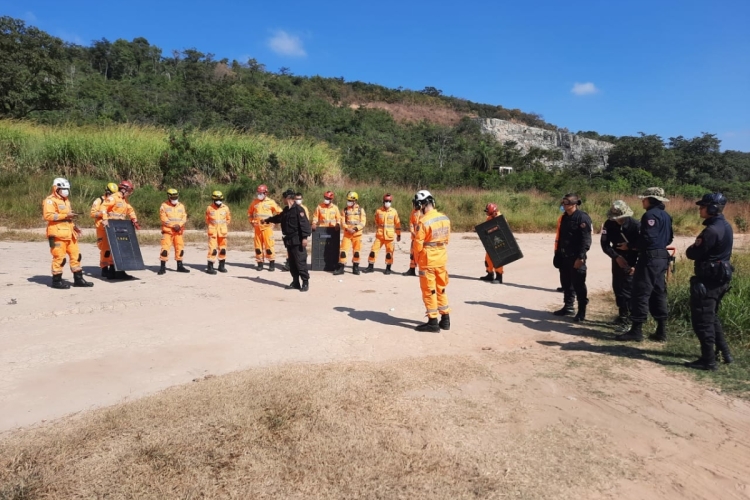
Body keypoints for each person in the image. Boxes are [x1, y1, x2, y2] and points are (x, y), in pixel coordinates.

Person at [616, 187, 674, 342]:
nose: (642, 201)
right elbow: (669, 238)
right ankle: (661, 330)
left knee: (641, 292)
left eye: (644, 199)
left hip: (649, 259)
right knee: (658, 292)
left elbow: (648, 238)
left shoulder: (650, 215)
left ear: (650, 200)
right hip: (662, 257)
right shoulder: (666, 216)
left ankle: (636, 330)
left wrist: (631, 246)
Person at [684, 193, 734, 370]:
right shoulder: (725, 226)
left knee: (703, 321)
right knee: (711, 317)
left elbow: (692, 253)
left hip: (708, 281)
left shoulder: (711, 231)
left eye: (703, 206)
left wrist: (692, 248)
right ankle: (725, 354)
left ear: (712, 209)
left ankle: (708, 360)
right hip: (719, 279)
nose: (700, 209)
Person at [43, 177, 94, 289]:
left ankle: (78, 279)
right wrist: (66, 215)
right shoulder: (50, 201)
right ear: (56, 188)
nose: (66, 191)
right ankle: (56, 281)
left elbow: (67, 218)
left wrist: (74, 226)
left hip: (70, 233)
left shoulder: (66, 201)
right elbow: (48, 216)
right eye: (63, 189)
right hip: (57, 234)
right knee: (59, 258)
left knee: (76, 256)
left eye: (67, 189)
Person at [412, 190, 451, 332]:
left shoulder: (423, 221)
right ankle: (445, 320)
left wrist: (416, 259)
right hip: (441, 257)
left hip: (428, 260)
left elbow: (418, 243)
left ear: (422, 204)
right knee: (441, 288)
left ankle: (433, 322)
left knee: (429, 291)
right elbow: (447, 239)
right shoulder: (445, 218)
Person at [552, 193, 592, 322]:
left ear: (574, 204)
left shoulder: (582, 217)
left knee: (578, 284)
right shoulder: (564, 218)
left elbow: (586, 240)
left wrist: (581, 257)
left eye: (566, 202)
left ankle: (581, 311)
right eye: (563, 202)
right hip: (564, 256)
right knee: (566, 283)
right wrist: (557, 253)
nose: (563, 205)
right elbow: (561, 237)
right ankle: (568, 306)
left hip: (576, 257)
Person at [600, 200, 640, 325]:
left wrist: (635, 264)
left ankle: (630, 318)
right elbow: (605, 244)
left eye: (620, 218)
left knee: (628, 288)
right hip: (617, 258)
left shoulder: (636, 225)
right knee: (617, 287)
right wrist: (616, 257)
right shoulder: (609, 224)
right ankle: (622, 315)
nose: (618, 220)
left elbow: (644, 246)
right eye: (615, 218)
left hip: (632, 259)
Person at [264, 189, 312, 292]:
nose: (283, 200)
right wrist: (268, 220)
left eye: (283, 198)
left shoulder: (299, 210)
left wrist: (304, 238)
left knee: (300, 261)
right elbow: (279, 218)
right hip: (289, 240)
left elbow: (305, 224)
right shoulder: (286, 210)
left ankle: (305, 282)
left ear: (287, 198)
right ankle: (295, 282)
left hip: (298, 240)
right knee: (292, 262)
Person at [100, 180, 141, 280]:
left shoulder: (124, 200)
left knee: (118, 249)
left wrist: (134, 220)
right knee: (114, 249)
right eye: (128, 191)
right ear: (123, 190)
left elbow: (130, 210)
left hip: (120, 226)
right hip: (112, 226)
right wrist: (105, 219)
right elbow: (103, 207)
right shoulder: (113, 198)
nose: (129, 193)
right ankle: (116, 272)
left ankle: (114, 271)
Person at [362, 193, 401, 275]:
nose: (388, 202)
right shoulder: (378, 211)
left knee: (389, 253)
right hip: (380, 236)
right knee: (373, 251)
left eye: (389, 201)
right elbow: (376, 221)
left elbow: (397, 224)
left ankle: (388, 268)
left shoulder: (394, 212)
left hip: (389, 237)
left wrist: (398, 234)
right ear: (383, 201)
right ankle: (370, 267)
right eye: (386, 201)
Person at [248, 184, 282, 271]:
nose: (259, 194)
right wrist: (251, 221)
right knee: (258, 247)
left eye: (261, 193)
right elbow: (250, 213)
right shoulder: (254, 202)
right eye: (258, 193)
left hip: (267, 228)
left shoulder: (271, 202)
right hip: (257, 228)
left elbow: (280, 212)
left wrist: (274, 222)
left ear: (266, 193)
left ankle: (271, 264)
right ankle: (260, 264)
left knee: (269, 247)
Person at [90, 182, 119, 278]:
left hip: (112, 226)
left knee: (113, 248)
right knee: (105, 249)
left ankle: (112, 266)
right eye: (111, 193)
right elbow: (92, 214)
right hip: (102, 227)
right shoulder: (99, 200)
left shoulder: (115, 200)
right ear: (107, 191)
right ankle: (104, 268)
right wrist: (103, 213)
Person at [157, 188, 189, 275]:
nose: (175, 199)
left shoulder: (181, 206)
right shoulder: (164, 206)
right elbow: (163, 218)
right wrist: (173, 226)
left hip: (178, 231)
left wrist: (179, 225)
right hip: (168, 231)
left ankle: (180, 266)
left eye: (176, 197)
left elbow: (184, 217)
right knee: (165, 249)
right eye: (173, 197)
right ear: (168, 196)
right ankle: (162, 267)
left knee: (180, 248)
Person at [334, 191, 366, 275]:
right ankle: (341, 267)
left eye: (350, 200)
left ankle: (355, 267)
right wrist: (347, 228)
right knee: (343, 251)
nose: (349, 202)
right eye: (348, 200)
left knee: (357, 251)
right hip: (347, 234)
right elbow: (343, 222)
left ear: (355, 201)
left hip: (357, 234)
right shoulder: (344, 210)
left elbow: (363, 222)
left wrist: (355, 229)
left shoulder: (361, 210)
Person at [205, 190, 231, 275]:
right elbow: (207, 219)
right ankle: (210, 267)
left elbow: (228, 219)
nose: (218, 201)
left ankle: (221, 266)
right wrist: (212, 226)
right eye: (217, 199)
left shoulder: (225, 208)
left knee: (223, 249)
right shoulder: (209, 208)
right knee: (212, 249)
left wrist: (223, 226)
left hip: (222, 232)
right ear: (213, 199)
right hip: (213, 232)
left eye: (220, 199)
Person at [282, 192, 309, 271]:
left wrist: (304, 237)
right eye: (296, 199)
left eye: (299, 199)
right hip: (292, 235)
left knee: (300, 252)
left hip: (300, 234)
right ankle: (289, 263)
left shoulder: (303, 209)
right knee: (291, 250)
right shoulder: (289, 209)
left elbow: (305, 222)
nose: (298, 200)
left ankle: (301, 267)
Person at [479, 203, 505, 284]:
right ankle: (490, 274)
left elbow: (503, 230)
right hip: (491, 241)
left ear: (494, 212)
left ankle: (499, 277)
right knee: (488, 258)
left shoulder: (501, 219)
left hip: (499, 241)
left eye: (488, 212)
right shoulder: (489, 218)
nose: (487, 214)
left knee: (498, 259)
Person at [402, 198, 421, 276]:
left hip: (421, 238)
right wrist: (412, 231)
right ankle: (412, 269)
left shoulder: (424, 213)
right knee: (412, 254)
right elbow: (411, 222)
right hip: (414, 237)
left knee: (422, 254)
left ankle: (425, 271)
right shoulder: (413, 212)